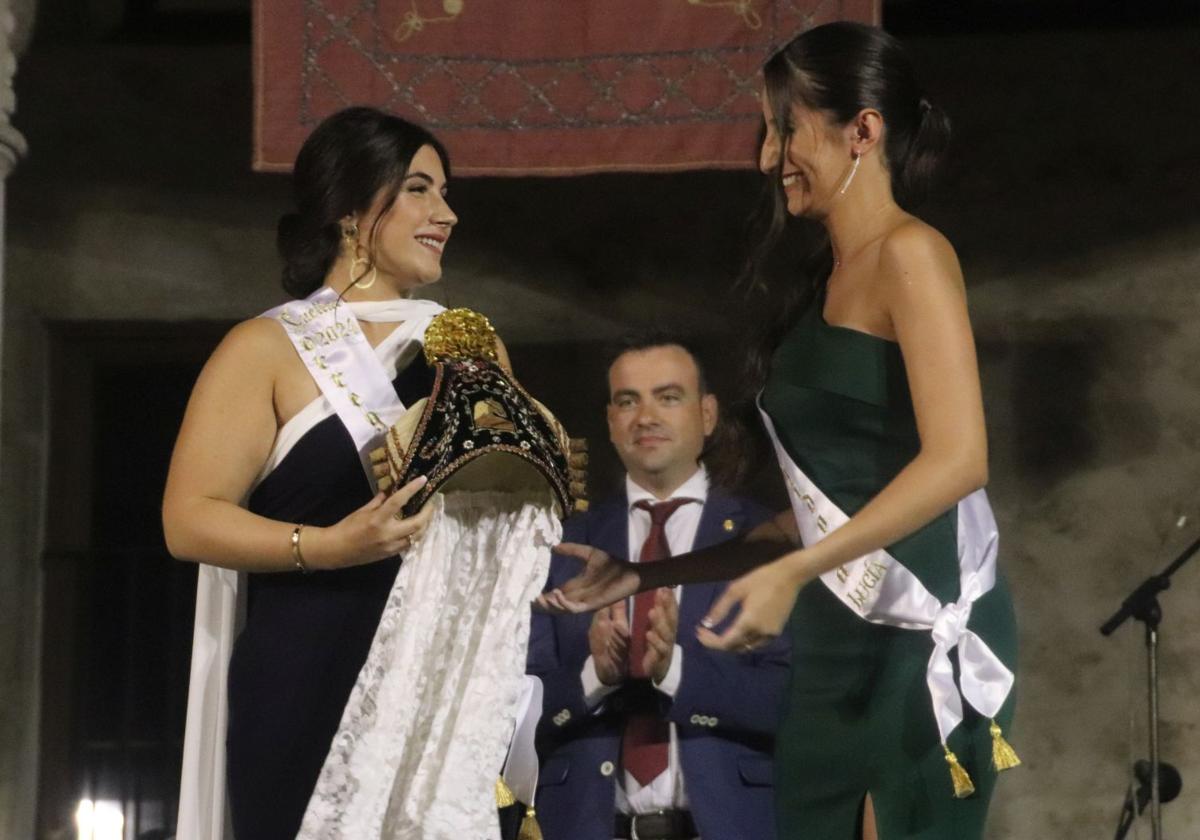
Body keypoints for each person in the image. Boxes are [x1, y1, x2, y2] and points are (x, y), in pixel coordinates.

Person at [539, 22, 1019, 840]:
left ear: (862, 129)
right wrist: (643, 574)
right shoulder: (822, 281)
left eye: (786, 127)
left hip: (907, 632)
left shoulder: (913, 253)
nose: (768, 156)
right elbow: (817, 509)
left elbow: (959, 458)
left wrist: (798, 571)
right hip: (829, 638)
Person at [163, 107, 539, 840]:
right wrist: (328, 547)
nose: (448, 214)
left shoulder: (467, 344)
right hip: (305, 675)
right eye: (422, 190)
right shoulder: (264, 347)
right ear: (351, 209)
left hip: (430, 681)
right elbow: (188, 518)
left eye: (446, 193)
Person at [528, 335, 787, 840]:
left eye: (668, 397)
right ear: (610, 421)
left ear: (707, 414)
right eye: (628, 401)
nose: (646, 416)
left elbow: (795, 700)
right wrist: (592, 677)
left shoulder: (767, 540)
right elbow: (504, 707)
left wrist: (677, 671)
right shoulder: (558, 546)